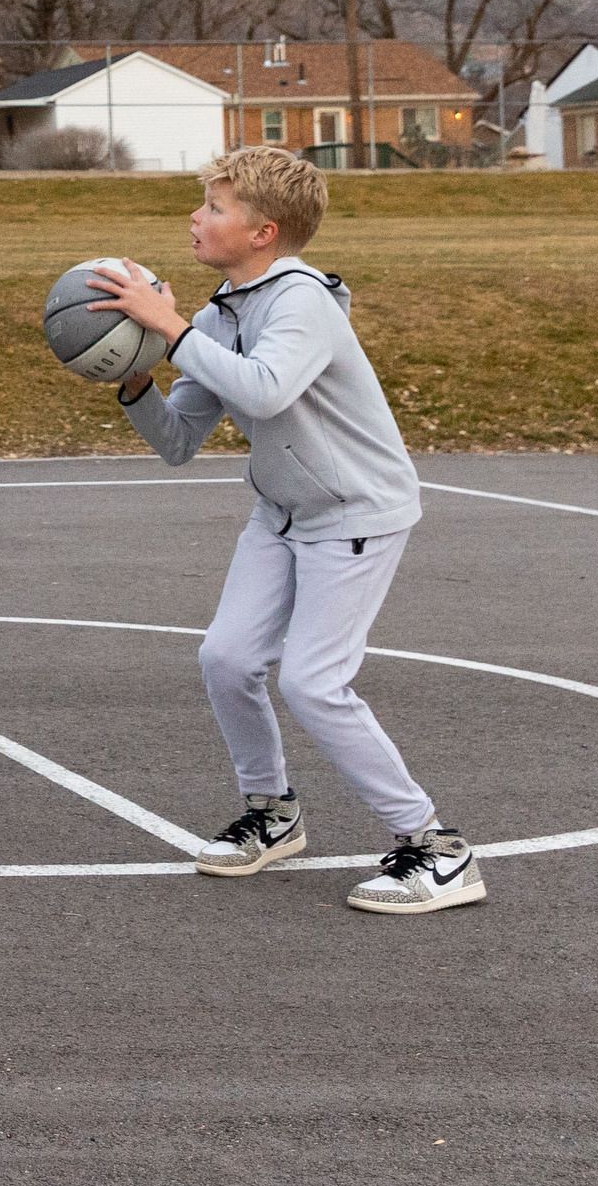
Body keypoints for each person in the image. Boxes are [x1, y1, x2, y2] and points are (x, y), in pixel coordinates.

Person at [85, 147, 483, 915]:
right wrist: (136, 379)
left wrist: (166, 327)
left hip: (356, 512)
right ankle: (273, 812)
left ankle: (437, 848)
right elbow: (178, 441)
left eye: (214, 208)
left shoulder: (301, 301)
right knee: (227, 658)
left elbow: (265, 394)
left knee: (312, 680)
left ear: (264, 232)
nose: (194, 219)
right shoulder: (216, 316)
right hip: (283, 509)